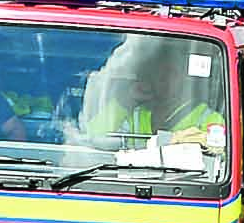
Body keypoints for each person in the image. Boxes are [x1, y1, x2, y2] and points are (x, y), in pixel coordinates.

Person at [88, 46, 226, 150]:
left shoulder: (208, 118)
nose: (164, 79)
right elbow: (93, 137)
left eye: (171, 73)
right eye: (158, 73)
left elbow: (223, 154)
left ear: (185, 78)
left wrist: (193, 143)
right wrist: (125, 102)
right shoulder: (136, 114)